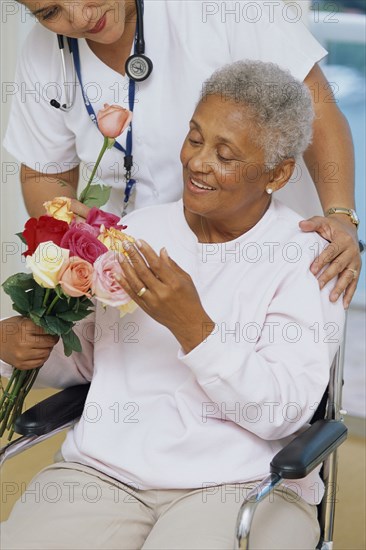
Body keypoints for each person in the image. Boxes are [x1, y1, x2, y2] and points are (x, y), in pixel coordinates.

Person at [1, 60, 345, 550]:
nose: (198, 162)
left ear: (277, 172)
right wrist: (20, 341)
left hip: (240, 483)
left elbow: (282, 412)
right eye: (195, 138)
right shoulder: (137, 231)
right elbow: (88, 362)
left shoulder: (308, 258)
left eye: (225, 155)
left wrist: (194, 328)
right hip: (106, 472)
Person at [3, 0, 361, 308]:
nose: (80, 17)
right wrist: (77, 251)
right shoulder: (43, 53)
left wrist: (342, 213)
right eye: (50, 12)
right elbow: (44, 172)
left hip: (259, 262)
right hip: (140, 279)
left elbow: (320, 112)